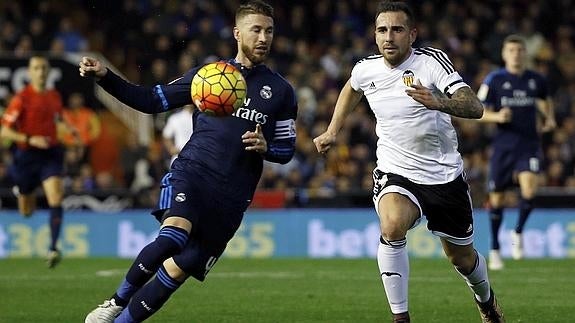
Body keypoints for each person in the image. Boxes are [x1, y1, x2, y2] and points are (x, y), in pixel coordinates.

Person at [81, 1, 297, 322]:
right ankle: (115, 301)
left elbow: (286, 149)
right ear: (238, 33)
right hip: (193, 174)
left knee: (177, 271)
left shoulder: (281, 91)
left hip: (232, 198)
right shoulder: (208, 77)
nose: (263, 37)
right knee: (173, 235)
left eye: (269, 30)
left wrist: (266, 147)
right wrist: (106, 77)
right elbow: (152, 100)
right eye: (256, 30)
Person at [313, 2, 503, 323]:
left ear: (412, 34)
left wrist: (439, 101)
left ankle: (485, 301)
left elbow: (475, 107)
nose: (389, 37)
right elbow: (351, 88)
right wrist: (333, 130)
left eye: (397, 30)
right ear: (375, 35)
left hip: (443, 177)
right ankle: (401, 318)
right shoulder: (366, 68)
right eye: (382, 30)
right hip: (395, 171)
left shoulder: (431, 63)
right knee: (391, 225)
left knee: (461, 257)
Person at [477, 34, 556, 270]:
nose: (516, 54)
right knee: (497, 199)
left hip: (528, 144)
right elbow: (478, 110)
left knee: (530, 190)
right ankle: (495, 248)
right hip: (503, 146)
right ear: (504, 54)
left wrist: (549, 118)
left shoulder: (536, 79)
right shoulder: (494, 79)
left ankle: (518, 232)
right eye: (511, 50)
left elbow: (544, 100)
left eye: (520, 50)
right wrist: (497, 116)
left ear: (525, 54)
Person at [0, 56, 70, 268]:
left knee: (56, 197)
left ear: (48, 72)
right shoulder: (21, 98)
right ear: (29, 72)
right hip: (27, 156)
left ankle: (53, 247)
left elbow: (58, 119)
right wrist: (30, 139)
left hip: (50, 153)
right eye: (36, 68)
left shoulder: (55, 96)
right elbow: (4, 131)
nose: (40, 71)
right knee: (26, 212)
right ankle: (21, 192)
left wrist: (69, 130)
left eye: (44, 68)